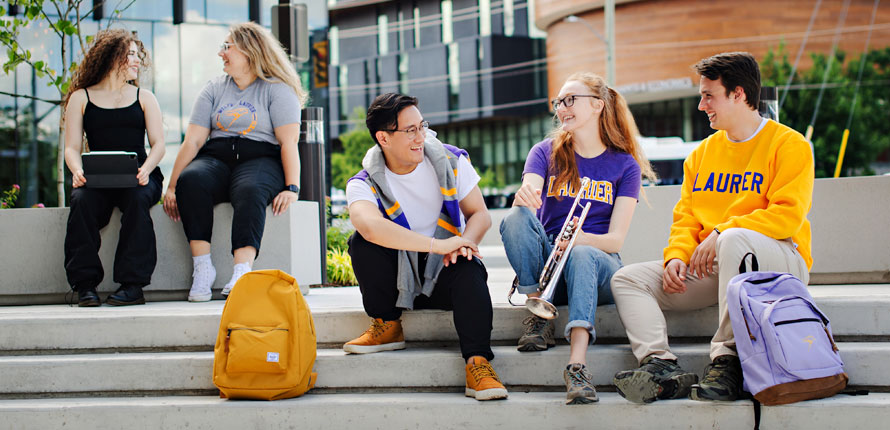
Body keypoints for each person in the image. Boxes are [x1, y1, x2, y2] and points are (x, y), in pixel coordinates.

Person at [610, 52, 814, 404]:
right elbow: (686, 217)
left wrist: (721, 233)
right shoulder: (701, 155)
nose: (702, 105)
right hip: (719, 264)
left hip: (779, 262)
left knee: (734, 238)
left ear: (738, 94)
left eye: (709, 96)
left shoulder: (789, 144)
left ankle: (727, 360)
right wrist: (677, 256)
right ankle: (661, 366)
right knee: (628, 279)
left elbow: (787, 216)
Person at [499, 72, 656, 405]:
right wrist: (526, 196)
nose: (562, 108)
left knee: (582, 254)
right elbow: (531, 192)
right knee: (515, 219)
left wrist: (580, 239)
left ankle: (577, 365)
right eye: (559, 102)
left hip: (598, 265)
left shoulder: (624, 165)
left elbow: (614, 241)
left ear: (598, 105)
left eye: (571, 100)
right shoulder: (544, 152)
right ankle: (538, 311)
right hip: (551, 264)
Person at [343, 93, 507, 401]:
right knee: (361, 242)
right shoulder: (364, 182)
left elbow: (480, 214)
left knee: (469, 264)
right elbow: (369, 225)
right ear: (383, 137)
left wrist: (463, 243)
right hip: (397, 279)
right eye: (410, 131)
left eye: (422, 126)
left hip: (444, 274)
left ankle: (478, 364)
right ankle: (388, 324)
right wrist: (436, 245)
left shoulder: (451, 160)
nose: (421, 137)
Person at [162, 22, 305, 302]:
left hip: (261, 157)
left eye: (227, 47)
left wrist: (292, 187)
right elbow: (192, 142)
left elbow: (288, 142)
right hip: (216, 156)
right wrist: (172, 185)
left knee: (250, 188)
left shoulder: (277, 89)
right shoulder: (214, 88)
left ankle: (242, 271)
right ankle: (203, 269)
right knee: (191, 181)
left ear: (249, 50)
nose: (220, 53)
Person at [63, 29, 165, 307]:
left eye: (136, 55)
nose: (136, 61)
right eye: (130, 54)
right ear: (111, 57)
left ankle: (132, 286)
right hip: (97, 178)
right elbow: (71, 148)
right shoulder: (80, 98)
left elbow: (159, 145)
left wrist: (146, 168)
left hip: (140, 176)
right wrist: (77, 171)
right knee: (81, 201)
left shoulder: (145, 97)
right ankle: (85, 286)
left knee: (137, 200)